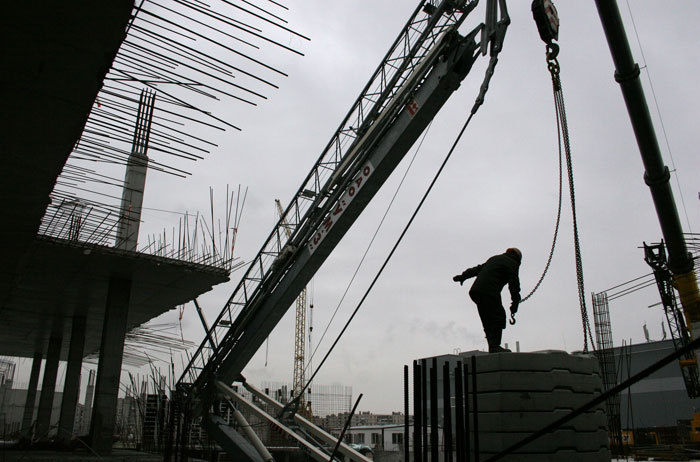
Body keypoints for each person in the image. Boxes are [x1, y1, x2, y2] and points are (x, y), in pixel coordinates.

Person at [453, 248, 522, 353]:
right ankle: (494, 346)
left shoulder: (495, 259)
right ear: (518, 258)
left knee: (487, 319)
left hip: (476, 291)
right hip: (489, 291)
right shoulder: (512, 263)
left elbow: (477, 269)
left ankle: (492, 346)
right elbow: (514, 284)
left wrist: (463, 276)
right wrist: (515, 302)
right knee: (498, 316)